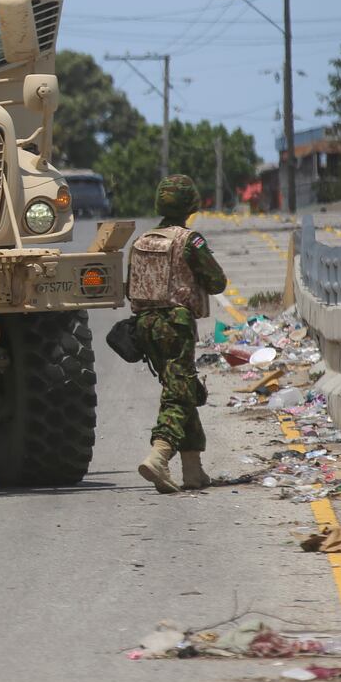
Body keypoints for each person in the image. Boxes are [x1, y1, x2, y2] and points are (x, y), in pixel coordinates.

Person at [127, 175, 228, 494]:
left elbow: (131, 287)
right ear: (190, 205)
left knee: (181, 389)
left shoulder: (142, 239)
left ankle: (193, 471)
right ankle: (160, 455)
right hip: (176, 324)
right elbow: (217, 282)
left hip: (145, 325)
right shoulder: (189, 240)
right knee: (179, 392)